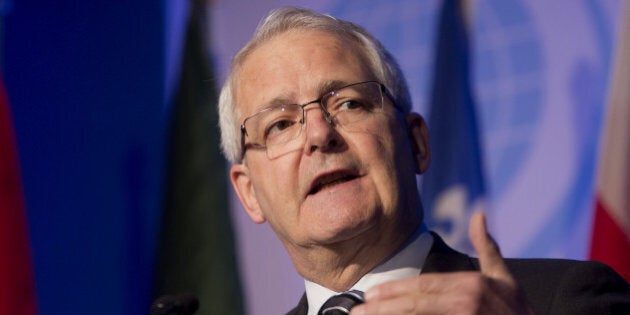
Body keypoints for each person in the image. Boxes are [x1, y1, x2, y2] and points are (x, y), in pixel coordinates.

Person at [218, 6, 630, 315]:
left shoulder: (564, 298)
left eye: (349, 103)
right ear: (249, 192)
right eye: (280, 125)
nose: (320, 135)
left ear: (417, 142)